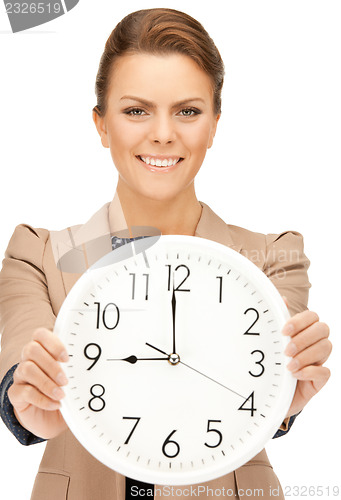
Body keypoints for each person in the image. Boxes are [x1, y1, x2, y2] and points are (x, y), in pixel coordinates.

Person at [0, 7, 332, 500]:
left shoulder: (273, 259)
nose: (162, 133)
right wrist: (28, 401)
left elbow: (265, 385)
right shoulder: (38, 255)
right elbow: (17, 369)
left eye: (188, 110)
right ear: (101, 124)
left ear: (214, 124)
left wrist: (283, 402)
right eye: (136, 110)